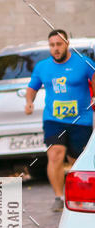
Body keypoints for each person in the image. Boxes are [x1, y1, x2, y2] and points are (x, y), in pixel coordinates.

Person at [25, 29, 95, 212]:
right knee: (55, 153)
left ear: (67, 44)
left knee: (77, 160)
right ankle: (59, 196)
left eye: (59, 44)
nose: (55, 48)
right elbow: (32, 87)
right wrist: (28, 102)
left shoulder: (84, 63)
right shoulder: (42, 67)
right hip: (53, 119)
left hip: (81, 120)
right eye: (52, 45)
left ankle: (82, 197)